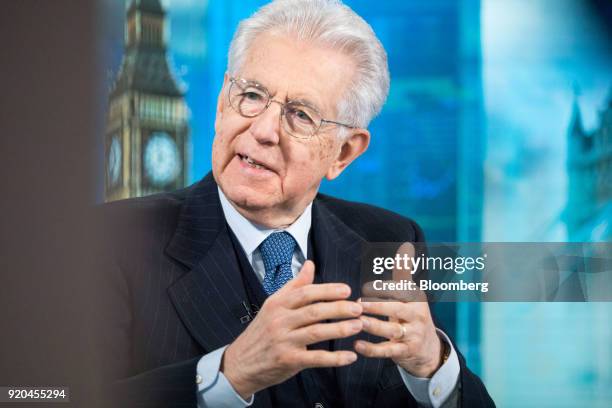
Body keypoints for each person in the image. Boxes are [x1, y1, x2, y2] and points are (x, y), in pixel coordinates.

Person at [97, 0, 495, 407]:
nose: (264, 130)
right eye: (251, 95)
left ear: (344, 153)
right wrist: (227, 375)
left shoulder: (391, 241)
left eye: (301, 115)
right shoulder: (111, 241)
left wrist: (432, 366)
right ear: (221, 104)